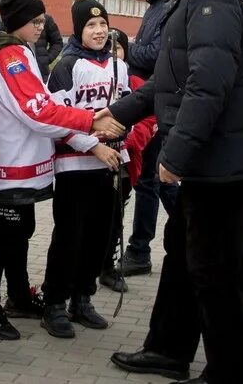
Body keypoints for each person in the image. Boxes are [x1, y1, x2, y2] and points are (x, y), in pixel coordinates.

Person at [106, 0, 243, 384]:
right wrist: (119, 113)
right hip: (213, 158)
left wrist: (174, 157)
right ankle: (168, 349)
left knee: (215, 271)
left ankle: (228, 372)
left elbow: (207, 85)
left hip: (220, 164)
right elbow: (170, 79)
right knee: (182, 255)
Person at [0, 0, 125, 341]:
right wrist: (89, 123)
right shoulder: (9, 56)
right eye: (35, 20)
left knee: (20, 234)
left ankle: (18, 296)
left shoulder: (19, 51)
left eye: (43, 19)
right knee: (2, 238)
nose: (42, 26)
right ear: (19, 22)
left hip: (25, 163)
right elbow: (37, 111)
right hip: (12, 164)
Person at [39, 0, 129, 339]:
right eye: (91, 25)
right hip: (76, 165)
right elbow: (59, 120)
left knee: (97, 236)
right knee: (70, 236)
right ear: (78, 30)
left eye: (103, 24)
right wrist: (93, 146)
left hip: (109, 165)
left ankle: (83, 297)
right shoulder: (66, 65)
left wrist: (121, 141)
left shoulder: (118, 64)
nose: (99, 31)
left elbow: (125, 108)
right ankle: (54, 303)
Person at [117, 0, 179, 280]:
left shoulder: (167, 6)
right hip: (146, 98)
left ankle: (140, 250)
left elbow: (155, 55)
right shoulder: (155, 6)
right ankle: (189, 231)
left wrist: (127, 48)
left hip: (156, 103)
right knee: (156, 178)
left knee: (149, 180)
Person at [99, 27, 150, 293]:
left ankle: (109, 265)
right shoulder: (93, 77)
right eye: (107, 48)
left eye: (117, 48)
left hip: (125, 164)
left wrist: (127, 141)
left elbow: (149, 120)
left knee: (115, 216)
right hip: (94, 162)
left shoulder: (136, 84)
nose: (112, 53)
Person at [25, 0, 65, 80]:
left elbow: (57, 42)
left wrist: (46, 59)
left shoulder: (46, 20)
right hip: (20, 72)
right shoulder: (10, 22)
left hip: (42, 73)